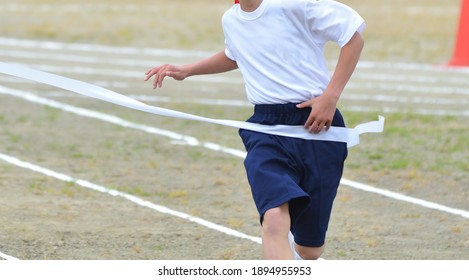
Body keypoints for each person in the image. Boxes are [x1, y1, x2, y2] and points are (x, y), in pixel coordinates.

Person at [144, 0, 365, 260]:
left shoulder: (294, 5)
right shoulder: (231, 19)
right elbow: (235, 54)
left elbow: (353, 37)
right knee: (273, 220)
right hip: (265, 128)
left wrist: (330, 97)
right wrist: (187, 70)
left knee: (310, 250)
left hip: (316, 125)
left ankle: (296, 249)